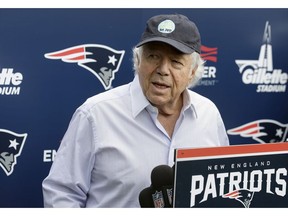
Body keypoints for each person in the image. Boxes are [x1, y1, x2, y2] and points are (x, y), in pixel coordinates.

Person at [42, 13, 229, 208]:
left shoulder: (209, 114)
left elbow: (221, 188)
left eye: (175, 62)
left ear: (192, 72)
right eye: (154, 56)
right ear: (138, 61)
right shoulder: (95, 114)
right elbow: (62, 194)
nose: (163, 69)